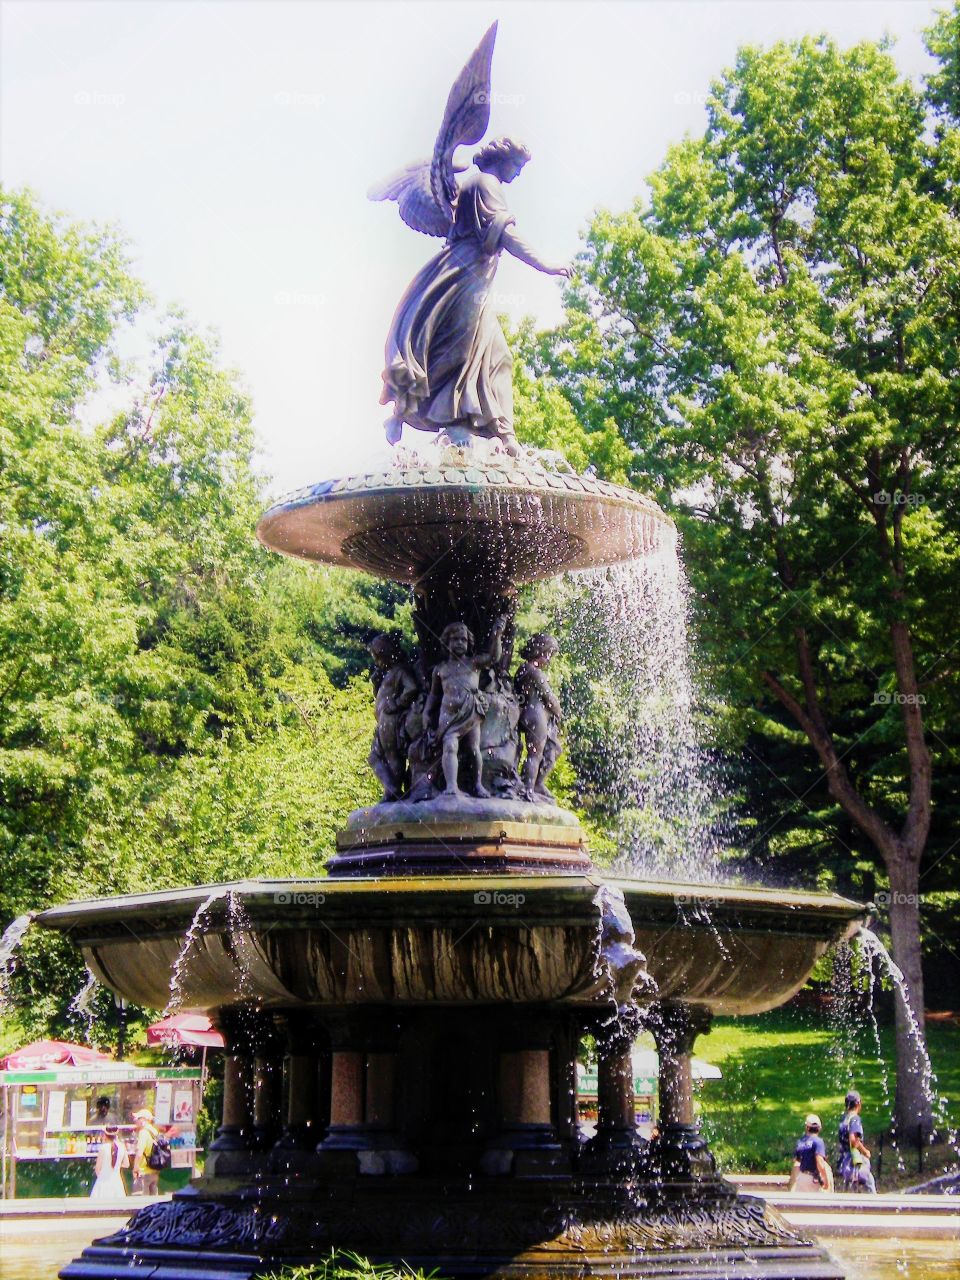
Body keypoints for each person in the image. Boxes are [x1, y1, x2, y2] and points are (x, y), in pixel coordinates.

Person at [424, 618, 507, 797]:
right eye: (455, 639)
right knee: (450, 746)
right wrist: (427, 713)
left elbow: (493, 657)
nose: (460, 643)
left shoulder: (473, 663)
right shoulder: (440, 669)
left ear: (469, 643)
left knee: (473, 749)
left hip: (471, 712)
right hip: (448, 715)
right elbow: (434, 695)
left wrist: (497, 635)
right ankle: (451, 786)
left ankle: (478, 785)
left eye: (463, 640)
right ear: (447, 642)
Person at [838, 1090, 878, 1193]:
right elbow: (853, 1139)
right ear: (858, 1104)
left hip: (845, 1160)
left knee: (848, 1188)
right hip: (856, 1161)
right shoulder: (855, 1119)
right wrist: (865, 1151)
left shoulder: (844, 1119)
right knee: (870, 1185)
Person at [790, 1114, 834, 1192]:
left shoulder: (800, 1142)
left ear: (807, 1127)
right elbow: (819, 1161)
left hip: (802, 1177)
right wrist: (826, 1180)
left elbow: (796, 1162)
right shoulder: (818, 1142)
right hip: (813, 1179)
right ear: (819, 1128)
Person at [90, 1124, 128, 1199]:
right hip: (117, 1181)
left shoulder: (103, 1148)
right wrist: (116, 1165)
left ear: (105, 1135)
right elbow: (126, 1164)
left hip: (103, 1181)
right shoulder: (122, 1146)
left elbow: (98, 1168)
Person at [132, 1107, 160, 1195]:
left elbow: (139, 1153)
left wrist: (135, 1168)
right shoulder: (154, 1132)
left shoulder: (143, 1133)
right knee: (153, 1203)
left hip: (143, 1172)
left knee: (140, 1202)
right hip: (154, 1171)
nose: (135, 1121)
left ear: (143, 1120)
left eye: (137, 1118)